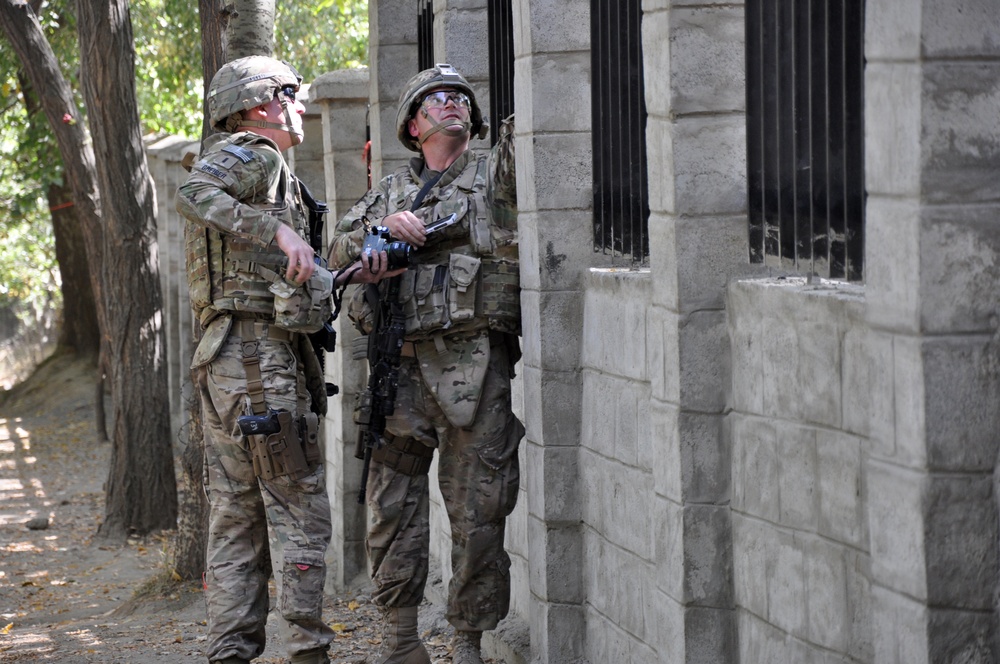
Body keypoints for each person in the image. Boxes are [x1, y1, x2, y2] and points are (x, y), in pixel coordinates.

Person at [176, 55, 399, 664]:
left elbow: (288, 274)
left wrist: (347, 270)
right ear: (258, 105)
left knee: (236, 516)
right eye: (290, 95)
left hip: (230, 362)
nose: (299, 107)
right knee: (299, 507)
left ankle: (231, 651)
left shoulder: (270, 173)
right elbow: (193, 190)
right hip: (258, 362)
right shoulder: (256, 153)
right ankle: (307, 652)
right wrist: (280, 233)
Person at [328, 63, 522, 664]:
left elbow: (534, 149)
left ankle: (468, 642)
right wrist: (380, 230)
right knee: (391, 509)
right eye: (436, 99)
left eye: (460, 98)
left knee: (479, 510)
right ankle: (401, 641)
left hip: (472, 365)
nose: (452, 104)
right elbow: (334, 250)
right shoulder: (388, 192)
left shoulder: (492, 173)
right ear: (414, 124)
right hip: (398, 369)